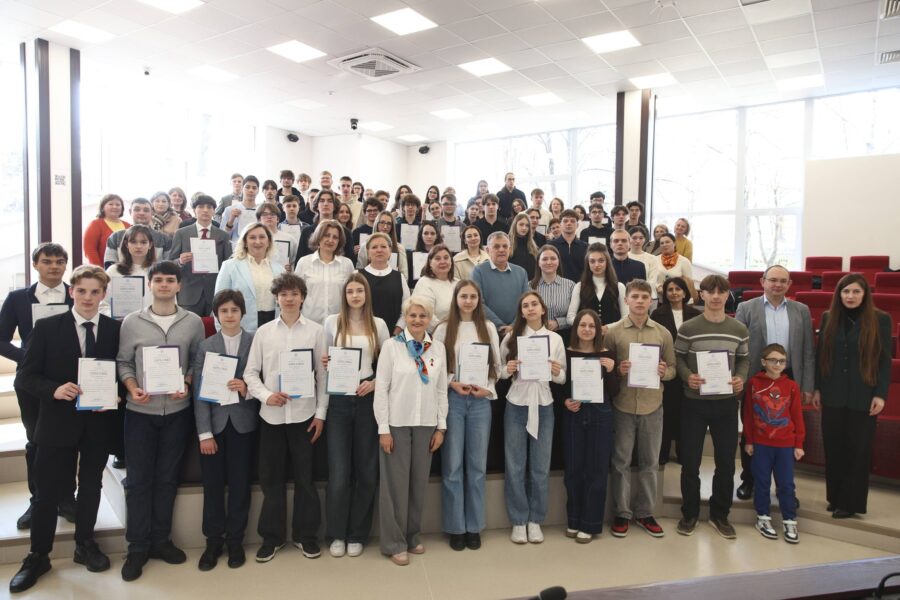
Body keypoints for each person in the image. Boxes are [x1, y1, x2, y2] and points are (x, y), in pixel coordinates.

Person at [9, 265, 121, 593]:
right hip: (57, 422)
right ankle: (38, 555)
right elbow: (25, 377)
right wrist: (54, 390)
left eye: (95, 292)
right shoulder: (46, 327)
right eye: (81, 291)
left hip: (97, 423)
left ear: (104, 294)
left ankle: (85, 544)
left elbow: (122, 372)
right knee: (47, 493)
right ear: (71, 292)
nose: (87, 298)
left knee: (91, 486)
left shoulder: (115, 329)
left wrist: (117, 394)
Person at [117, 260, 205, 581]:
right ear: (150, 284)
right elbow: (124, 362)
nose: (164, 285)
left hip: (178, 413)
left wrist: (188, 383)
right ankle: (137, 546)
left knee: (167, 479)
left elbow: (196, 361)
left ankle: (160, 540)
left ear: (179, 285)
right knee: (139, 481)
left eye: (170, 280)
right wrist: (132, 387)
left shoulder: (192, 322)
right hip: (140, 413)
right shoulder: (132, 322)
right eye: (159, 280)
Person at [243, 273, 328, 563]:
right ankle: (272, 538)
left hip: (305, 417)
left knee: (306, 480)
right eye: (284, 294)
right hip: (272, 417)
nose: (289, 299)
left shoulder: (316, 332)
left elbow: (323, 376)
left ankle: (306, 536)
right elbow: (250, 373)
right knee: (271, 481)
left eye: (294, 294)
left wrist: (320, 415)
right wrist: (266, 395)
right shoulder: (264, 332)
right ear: (276, 298)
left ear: (302, 297)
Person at [1, 243, 76, 530]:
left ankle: (67, 498)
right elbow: (1, 338)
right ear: (35, 264)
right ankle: (38, 501)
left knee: (68, 441)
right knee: (36, 441)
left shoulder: (75, 294)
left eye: (59, 261)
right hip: (31, 382)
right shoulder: (18, 298)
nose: (54, 266)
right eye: (47, 261)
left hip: (68, 382)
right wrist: (27, 358)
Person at [375, 296, 448, 566]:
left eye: (423, 315)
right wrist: (383, 428)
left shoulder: (437, 348)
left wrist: (441, 426)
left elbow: (441, 389)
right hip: (397, 422)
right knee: (395, 486)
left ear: (430, 319)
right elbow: (381, 389)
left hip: (426, 422)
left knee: (418, 483)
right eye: (412, 315)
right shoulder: (391, 347)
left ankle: (412, 535)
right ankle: (394, 542)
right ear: (405, 318)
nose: (417, 320)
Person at [675, 274, 749, 539]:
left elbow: (744, 359)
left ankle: (720, 515)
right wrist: (688, 376)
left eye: (721, 292)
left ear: (728, 295)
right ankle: (690, 513)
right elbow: (678, 357)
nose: (716, 296)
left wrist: (740, 378)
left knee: (726, 463)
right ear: (702, 295)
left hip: (726, 404)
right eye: (711, 291)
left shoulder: (738, 329)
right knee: (690, 463)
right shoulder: (688, 328)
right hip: (694, 404)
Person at [813, 273, 892, 519]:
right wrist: (817, 388)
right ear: (839, 294)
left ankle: (850, 502)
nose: (850, 296)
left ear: (865, 294)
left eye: (856, 291)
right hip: (833, 394)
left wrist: (880, 394)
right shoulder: (829, 317)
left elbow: (884, 360)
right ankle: (835, 497)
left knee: (858, 451)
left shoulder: (881, 319)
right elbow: (821, 356)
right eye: (846, 291)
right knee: (833, 447)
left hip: (864, 394)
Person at [734, 265, 816, 502]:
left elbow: (808, 351)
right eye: (773, 280)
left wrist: (807, 386)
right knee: (751, 429)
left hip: (788, 377)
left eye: (783, 281)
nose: (777, 284)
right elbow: (738, 348)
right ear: (763, 282)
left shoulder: (801, 310)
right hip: (755, 377)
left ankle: (784, 487)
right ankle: (749, 480)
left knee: (786, 432)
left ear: (789, 284)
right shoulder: (746, 308)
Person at [323, 274, 390, 558]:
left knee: (366, 470)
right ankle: (337, 533)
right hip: (339, 399)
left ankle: (357, 534)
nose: (354, 295)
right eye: (350, 291)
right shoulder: (331, 322)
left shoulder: (379, 324)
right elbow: (324, 359)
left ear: (366, 294)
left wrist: (374, 383)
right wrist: (325, 362)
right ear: (344, 295)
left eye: (359, 290)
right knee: (339, 473)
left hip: (366, 398)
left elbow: (388, 364)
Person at [605, 280, 676, 539]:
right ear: (626, 300)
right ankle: (622, 513)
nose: (639, 301)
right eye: (634, 297)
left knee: (650, 462)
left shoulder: (662, 333)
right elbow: (605, 370)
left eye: (644, 297)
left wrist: (663, 372)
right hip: (622, 405)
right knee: (620, 462)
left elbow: (673, 369)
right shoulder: (613, 332)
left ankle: (645, 513)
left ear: (651, 301)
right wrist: (618, 370)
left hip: (652, 405)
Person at [433, 281, 501, 551]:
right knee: (452, 467)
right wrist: (452, 383)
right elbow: (436, 368)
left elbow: (496, 366)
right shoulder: (443, 329)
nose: (469, 301)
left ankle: (474, 526)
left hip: (480, 402)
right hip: (454, 401)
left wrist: (488, 389)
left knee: (476, 467)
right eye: (464, 296)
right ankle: (455, 527)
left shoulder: (489, 327)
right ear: (456, 298)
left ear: (479, 300)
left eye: (473, 296)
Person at [192, 290, 257, 570]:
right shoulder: (206, 346)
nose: (229, 315)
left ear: (242, 312)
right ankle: (213, 542)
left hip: (244, 424)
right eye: (224, 311)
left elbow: (263, 380)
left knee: (241, 485)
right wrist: (204, 433)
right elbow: (198, 393)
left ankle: (235, 541)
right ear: (216, 315)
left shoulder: (255, 342)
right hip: (215, 427)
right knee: (213, 486)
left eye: (234, 310)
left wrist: (247, 389)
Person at [500, 291, 566, 544]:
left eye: (534, 304)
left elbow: (562, 378)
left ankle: (536, 519)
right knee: (515, 465)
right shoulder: (511, 338)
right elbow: (500, 373)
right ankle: (518, 520)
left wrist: (556, 371)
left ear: (542, 308)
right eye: (525, 305)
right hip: (516, 404)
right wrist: (508, 369)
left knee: (540, 467)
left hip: (544, 405)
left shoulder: (555, 339)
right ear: (521, 311)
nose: (530, 308)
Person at [561, 309, 618, 543]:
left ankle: (590, 523)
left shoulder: (607, 355)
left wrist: (612, 370)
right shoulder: (566, 353)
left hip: (600, 414)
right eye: (582, 325)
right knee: (573, 470)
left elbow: (614, 391)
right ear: (575, 328)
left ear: (598, 330)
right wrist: (565, 401)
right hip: (574, 414)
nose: (586, 329)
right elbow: (559, 387)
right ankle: (573, 519)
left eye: (591, 326)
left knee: (596, 470)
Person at [744, 343, 805, 543]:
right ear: (764, 362)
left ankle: (790, 520)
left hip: (785, 445)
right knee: (762, 482)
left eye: (781, 361)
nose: (777, 364)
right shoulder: (754, 383)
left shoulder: (792, 386)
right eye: (773, 360)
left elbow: (797, 416)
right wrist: (749, 440)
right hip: (761, 444)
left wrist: (799, 443)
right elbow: (748, 414)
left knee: (786, 484)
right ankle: (763, 518)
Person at [650, 277, 701, 464]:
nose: (674, 293)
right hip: (667, 367)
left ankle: (682, 452)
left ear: (685, 292)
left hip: (688, 367)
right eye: (670, 289)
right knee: (667, 412)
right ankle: (662, 453)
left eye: (678, 289)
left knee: (685, 414)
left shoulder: (695, 314)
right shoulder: (658, 313)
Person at [167, 194, 232, 317]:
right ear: (194, 210)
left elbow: (228, 264)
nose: (205, 210)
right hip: (188, 292)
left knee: (213, 327)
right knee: (187, 327)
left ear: (214, 211)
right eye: (201, 207)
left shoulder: (223, 235)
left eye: (209, 207)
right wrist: (180, 261)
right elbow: (170, 263)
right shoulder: (181, 233)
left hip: (215, 292)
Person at [215, 223, 285, 332]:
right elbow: (218, 302)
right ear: (245, 242)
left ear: (269, 241)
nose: (258, 241)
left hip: (273, 324)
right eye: (252, 237)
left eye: (262, 237)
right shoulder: (229, 266)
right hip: (242, 326)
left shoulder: (279, 269)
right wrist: (221, 332)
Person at [294, 220, 355, 325]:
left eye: (335, 237)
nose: (330, 240)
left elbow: (352, 294)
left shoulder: (347, 264)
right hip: (309, 323)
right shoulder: (304, 262)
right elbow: (295, 293)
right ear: (318, 237)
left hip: (338, 324)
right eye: (326, 235)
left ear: (339, 241)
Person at [471, 232, 529, 337]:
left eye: (505, 246)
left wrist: (513, 326)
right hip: (488, 331)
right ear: (487, 250)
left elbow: (526, 303)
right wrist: (500, 326)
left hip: (517, 331)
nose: (501, 250)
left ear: (510, 249)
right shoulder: (478, 271)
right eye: (496, 246)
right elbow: (478, 303)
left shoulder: (521, 272)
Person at [566, 243, 627, 330]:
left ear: (607, 262)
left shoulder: (619, 287)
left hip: (612, 335)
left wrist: (608, 328)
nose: (596, 265)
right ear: (588, 263)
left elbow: (626, 317)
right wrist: (589, 326)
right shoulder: (579, 286)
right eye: (592, 261)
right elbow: (570, 317)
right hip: (587, 335)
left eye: (601, 261)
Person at [359, 233, 410, 335]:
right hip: (363, 333)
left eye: (383, 246)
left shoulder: (399, 277)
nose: (379, 250)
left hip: (393, 335)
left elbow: (407, 308)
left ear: (390, 251)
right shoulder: (358, 276)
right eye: (374, 247)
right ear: (368, 252)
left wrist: (397, 331)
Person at [100, 225, 155, 317]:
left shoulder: (159, 271)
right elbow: (103, 306)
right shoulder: (113, 271)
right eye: (133, 242)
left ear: (150, 245)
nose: (138, 246)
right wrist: (116, 316)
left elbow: (169, 305)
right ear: (126, 244)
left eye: (143, 242)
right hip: (119, 323)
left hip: (151, 322)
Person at [104, 198, 171, 268]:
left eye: (146, 210)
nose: (141, 213)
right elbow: (109, 266)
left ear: (152, 213)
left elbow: (168, 268)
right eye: (137, 209)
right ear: (130, 211)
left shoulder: (164, 239)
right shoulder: (115, 237)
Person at [530, 245, 575, 340]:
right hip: (535, 336)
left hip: (565, 336)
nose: (549, 262)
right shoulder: (529, 287)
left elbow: (577, 314)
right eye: (544, 259)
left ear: (558, 262)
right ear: (538, 263)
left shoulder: (570, 285)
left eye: (553, 258)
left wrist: (558, 323)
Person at [356, 210, 410, 282]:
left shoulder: (399, 248)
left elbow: (404, 276)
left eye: (389, 224)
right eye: (382, 222)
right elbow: (360, 271)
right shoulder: (365, 246)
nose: (385, 227)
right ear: (376, 224)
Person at [413, 245, 456, 331]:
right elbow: (427, 314)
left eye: (446, 258)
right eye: (437, 258)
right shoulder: (424, 283)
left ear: (451, 261)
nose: (442, 261)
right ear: (430, 262)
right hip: (434, 334)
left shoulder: (458, 283)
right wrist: (445, 331)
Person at [84, 194, 129, 265]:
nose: (115, 207)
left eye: (118, 205)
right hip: (103, 269)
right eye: (111, 204)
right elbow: (90, 250)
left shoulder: (128, 226)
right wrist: (99, 269)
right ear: (102, 207)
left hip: (127, 269)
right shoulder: (96, 224)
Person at [297, 190, 338, 260]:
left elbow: (350, 262)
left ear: (335, 206)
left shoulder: (344, 232)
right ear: (317, 206)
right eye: (322, 201)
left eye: (330, 201)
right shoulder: (306, 232)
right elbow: (299, 259)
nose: (325, 204)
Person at [655, 233, 695, 302]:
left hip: (677, 300)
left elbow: (688, 283)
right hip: (658, 300)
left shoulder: (684, 261)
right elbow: (651, 279)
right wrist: (658, 287)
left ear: (674, 243)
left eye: (667, 242)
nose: (664, 245)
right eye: (662, 243)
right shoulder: (654, 260)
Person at [550, 210, 588, 282]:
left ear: (577, 225)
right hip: (557, 285)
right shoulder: (551, 246)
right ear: (560, 224)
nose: (569, 223)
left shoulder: (585, 247)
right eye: (565, 221)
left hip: (580, 286)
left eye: (572, 221)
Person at [258, 202, 297, 270]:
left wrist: (291, 268)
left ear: (278, 219)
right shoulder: (254, 239)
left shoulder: (289, 239)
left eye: (272, 214)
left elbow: (294, 261)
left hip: (282, 275)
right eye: (265, 214)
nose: (269, 217)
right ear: (259, 219)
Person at [222, 176, 260, 243]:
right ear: (242, 188)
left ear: (258, 191)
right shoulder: (229, 210)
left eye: (254, 188)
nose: (251, 190)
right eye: (247, 187)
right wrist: (231, 220)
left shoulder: (262, 211)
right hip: (236, 247)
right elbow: (223, 237)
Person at [628, 226, 658, 301]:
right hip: (627, 296)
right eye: (634, 238)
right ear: (629, 239)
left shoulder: (652, 258)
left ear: (645, 239)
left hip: (648, 296)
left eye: (641, 238)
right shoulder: (624, 257)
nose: (638, 241)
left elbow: (652, 281)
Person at [409, 222, 443, 288]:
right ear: (421, 236)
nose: (429, 236)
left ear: (437, 236)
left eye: (432, 233)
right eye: (426, 233)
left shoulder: (442, 255)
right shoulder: (412, 255)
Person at [508, 213, 538, 280]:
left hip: (531, 283)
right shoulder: (507, 244)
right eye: (521, 224)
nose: (524, 228)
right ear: (515, 225)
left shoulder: (533, 246)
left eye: (527, 225)